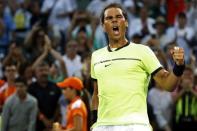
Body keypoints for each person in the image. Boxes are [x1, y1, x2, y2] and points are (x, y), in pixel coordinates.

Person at [90, 3, 185, 131]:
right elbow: (96, 93)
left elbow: (168, 84)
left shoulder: (143, 51)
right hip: (103, 126)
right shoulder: (96, 56)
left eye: (118, 17)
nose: (114, 20)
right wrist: (95, 122)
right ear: (103, 26)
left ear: (126, 23)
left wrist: (179, 66)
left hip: (136, 125)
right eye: (109, 18)